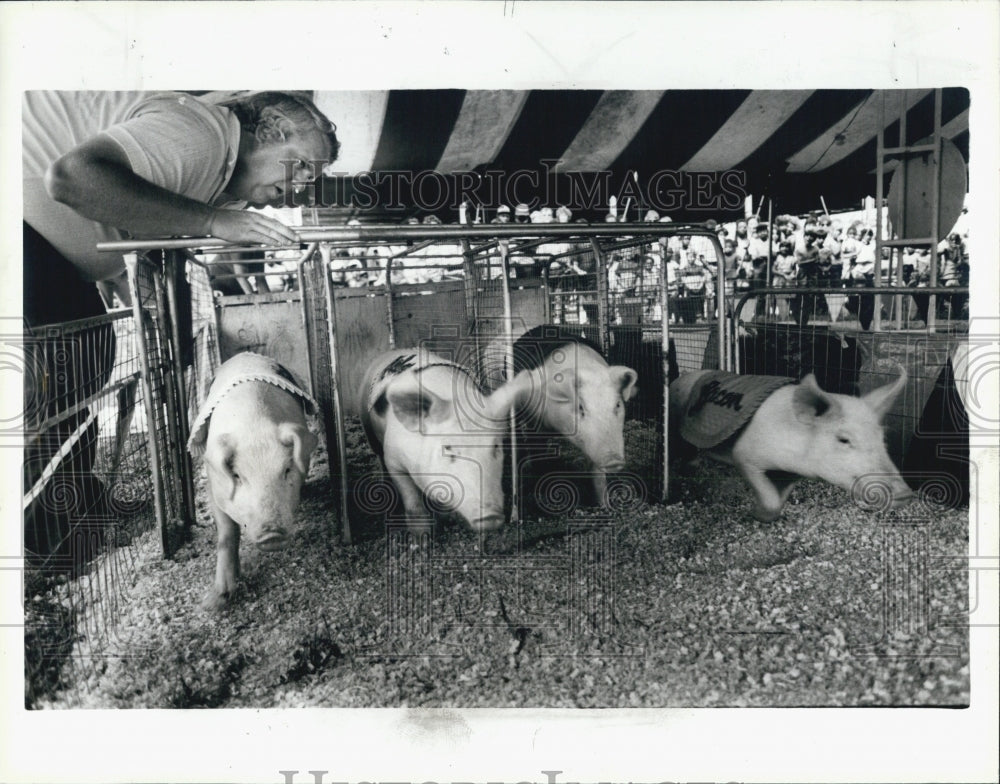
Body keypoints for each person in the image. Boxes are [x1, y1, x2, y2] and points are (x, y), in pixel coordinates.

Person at [22, 90, 339, 556]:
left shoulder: (213, 175)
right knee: (69, 374)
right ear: (270, 129)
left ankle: (59, 513)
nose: (303, 186)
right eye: (303, 166)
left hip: (45, 250)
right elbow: (72, 177)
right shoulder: (202, 137)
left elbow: (151, 228)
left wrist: (169, 317)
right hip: (23, 231)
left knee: (84, 363)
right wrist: (213, 221)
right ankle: (37, 538)